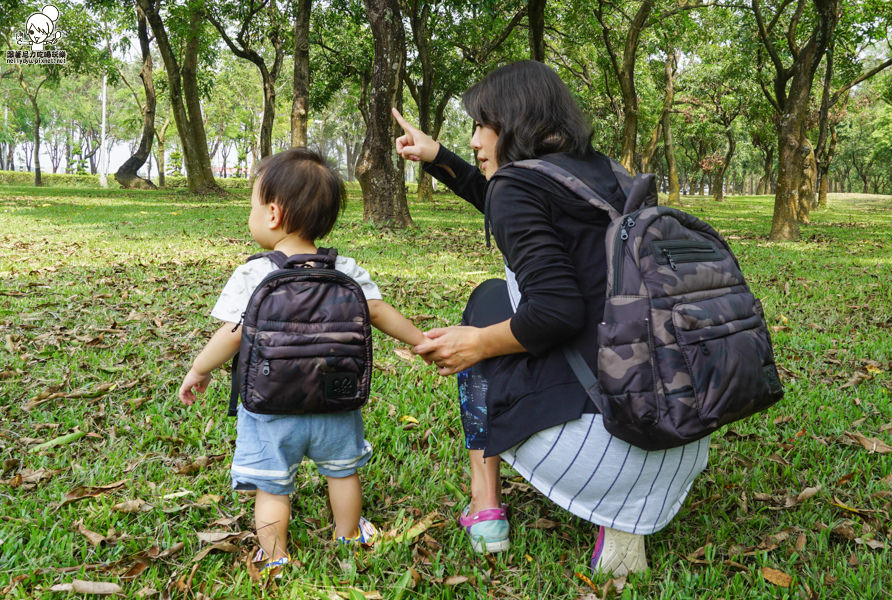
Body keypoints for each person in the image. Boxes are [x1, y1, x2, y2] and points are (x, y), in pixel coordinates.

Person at [392, 61, 710, 576]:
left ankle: (485, 507)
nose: (474, 141)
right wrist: (436, 157)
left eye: (480, 125)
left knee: (487, 302)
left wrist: (477, 345)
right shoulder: (608, 175)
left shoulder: (519, 187)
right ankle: (624, 526)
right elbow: (509, 203)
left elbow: (556, 310)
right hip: (676, 435)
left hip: (597, 452)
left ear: (513, 122)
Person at [178, 148, 426, 578]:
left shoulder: (254, 274)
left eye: (252, 205)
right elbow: (381, 313)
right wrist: (421, 340)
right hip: (336, 402)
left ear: (272, 214)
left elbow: (232, 335)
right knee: (342, 474)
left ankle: (274, 554)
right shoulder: (346, 268)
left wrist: (200, 369)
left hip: (271, 407)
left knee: (272, 486)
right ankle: (348, 534)